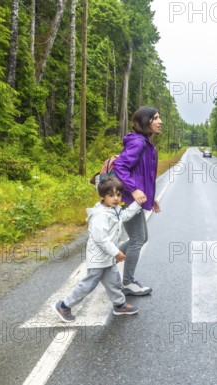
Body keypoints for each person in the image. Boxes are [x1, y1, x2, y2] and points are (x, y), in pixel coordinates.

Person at [53, 176, 142, 323]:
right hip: (98, 257)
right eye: (111, 195)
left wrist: (137, 204)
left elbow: (124, 216)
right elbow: (102, 239)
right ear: (103, 196)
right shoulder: (100, 215)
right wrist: (117, 252)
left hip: (106, 257)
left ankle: (119, 305)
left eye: (118, 195)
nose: (116, 198)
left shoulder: (114, 210)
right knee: (89, 284)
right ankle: (64, 306)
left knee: (113, 281)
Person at [113, 106, 162, 296]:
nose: (160, 121)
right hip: (127, 200)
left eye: (159, 118)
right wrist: (133, 190)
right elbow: (120, 166)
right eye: (155, 118)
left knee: (142, 238)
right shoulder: (139, 143)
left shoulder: (146, 144)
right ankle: (128, 283)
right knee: (137, 240)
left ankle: (108, 256)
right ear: (145, 122)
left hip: (134, 199)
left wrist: (151, 198)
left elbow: (142, 174)